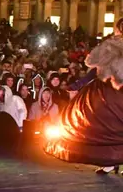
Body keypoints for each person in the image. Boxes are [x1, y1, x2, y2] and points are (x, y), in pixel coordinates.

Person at [45, 36, 123, 174]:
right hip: (107, 94)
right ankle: (110, 162)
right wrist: (78, 84)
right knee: (102, 127)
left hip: (116, 96)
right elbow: (96, 70)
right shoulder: (113, 47)